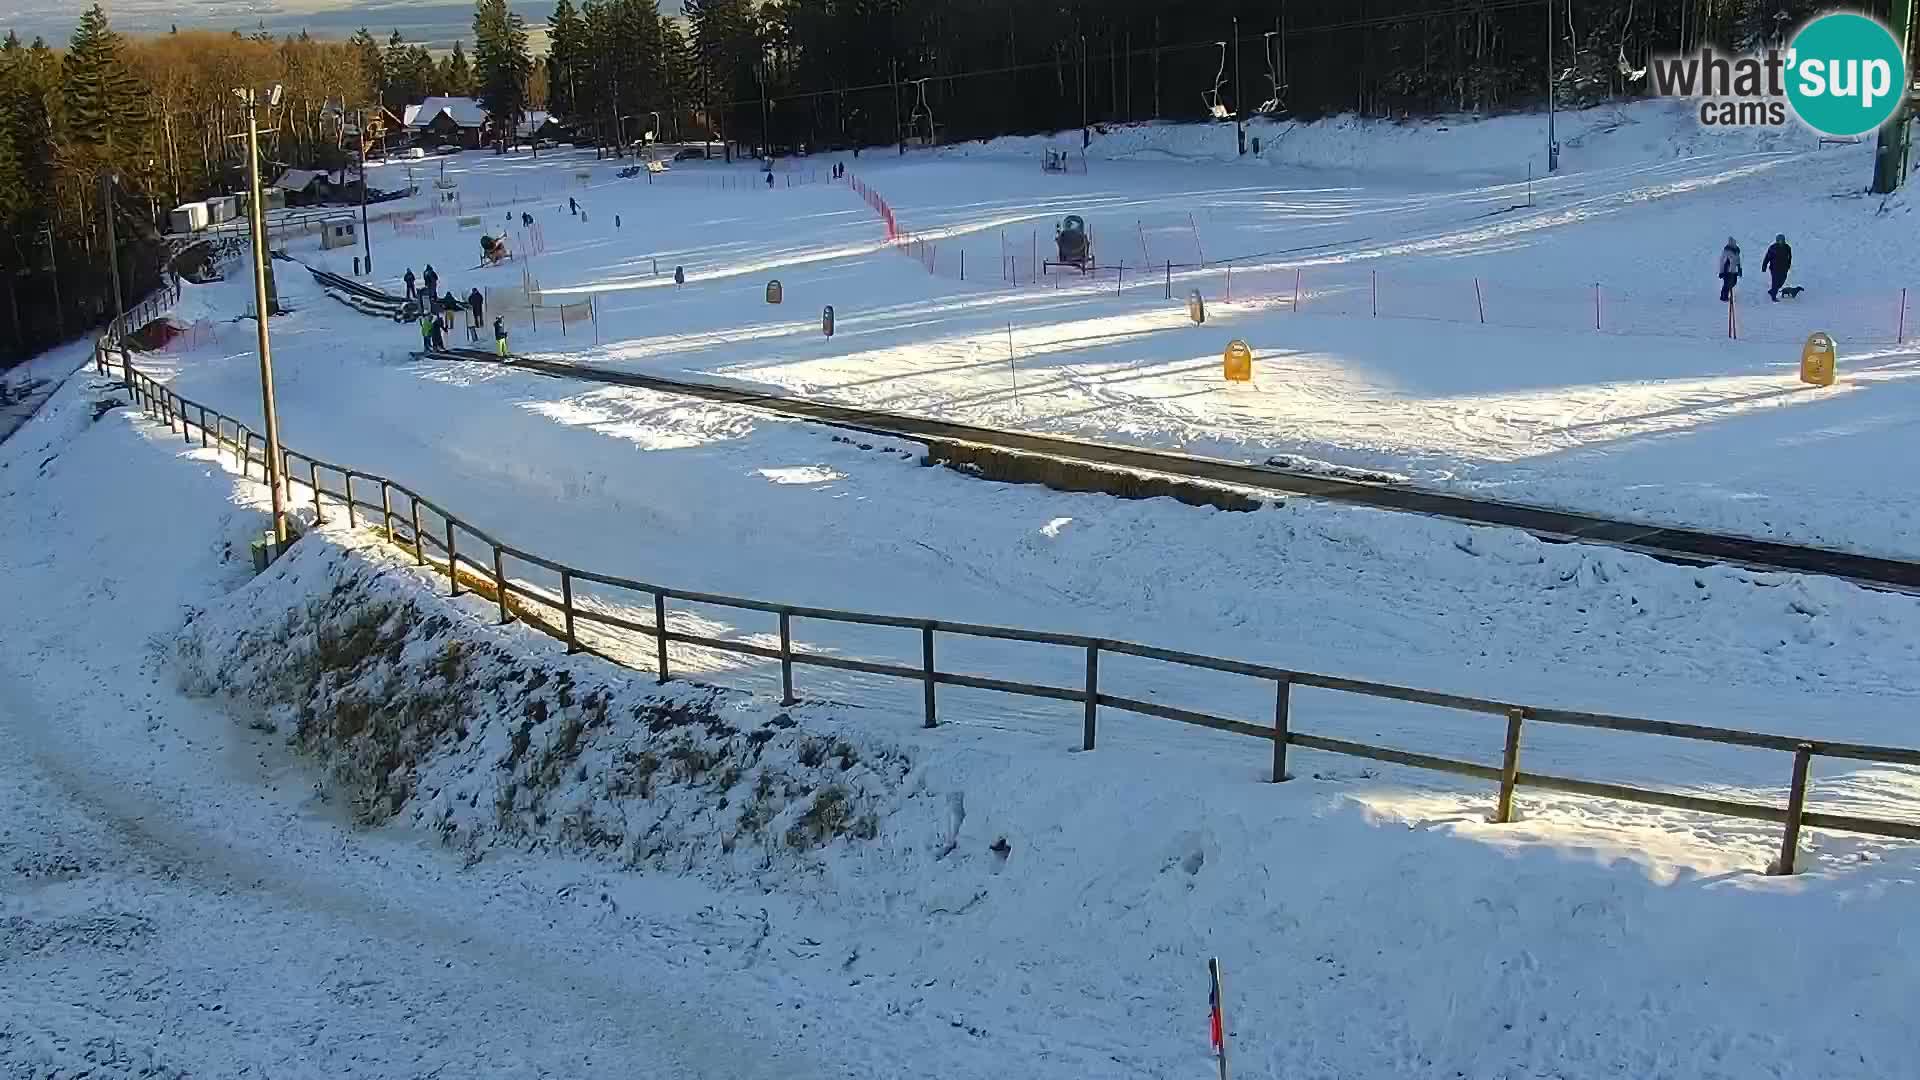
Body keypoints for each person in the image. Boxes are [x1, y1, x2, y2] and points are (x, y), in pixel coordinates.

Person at [1762, 233, 1792, 301]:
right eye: (1779, 240)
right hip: (1774, 268)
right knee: (1775, 282)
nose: (1781, 242)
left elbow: (1790, 257)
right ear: (1777, 240)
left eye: (1782, 240)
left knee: (1781, 282)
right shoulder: (1773, 248)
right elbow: (1767, 257)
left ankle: (1772, 290)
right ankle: (1773, 297)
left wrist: (1788, 265)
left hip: (1784, 268)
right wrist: (1764, 266)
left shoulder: (1787, 247)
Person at [1717, 237, 1741, 302]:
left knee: (1734, 282)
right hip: (1727, 270)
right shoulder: (1726, 252)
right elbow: (1722, 261)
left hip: (1734, 270)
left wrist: (1739, 269)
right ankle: (1724, 297)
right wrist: (1721, 272)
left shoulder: (1736, 251)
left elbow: (1738, 261)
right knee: (1727, 284)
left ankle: (1729, 290)